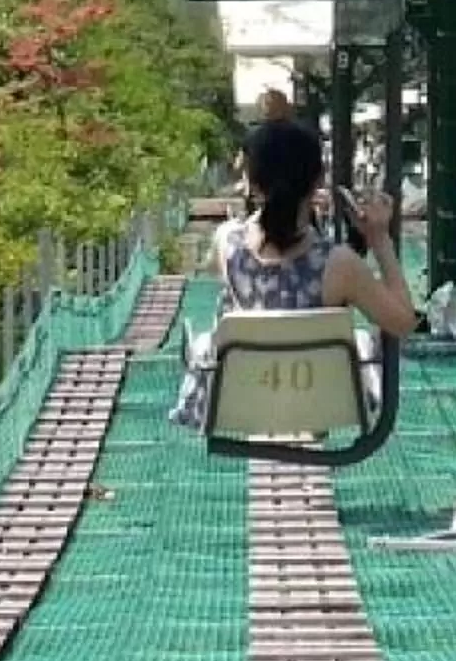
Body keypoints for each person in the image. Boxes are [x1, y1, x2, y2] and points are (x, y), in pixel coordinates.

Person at [175, 118, 416, 430]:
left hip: (241, 405)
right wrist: (379, 239)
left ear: (252, 181)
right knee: (360, 339)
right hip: (324, 407)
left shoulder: (226, 242)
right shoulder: (339, 264)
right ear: (318, 180)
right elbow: (403, 322)